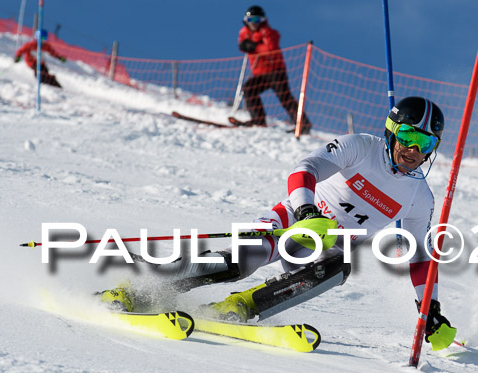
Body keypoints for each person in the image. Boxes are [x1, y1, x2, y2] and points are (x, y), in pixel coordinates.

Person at [98, 96, 455, 349]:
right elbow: (305, 169)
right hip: (292, 221)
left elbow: (421, 257)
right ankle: (135, 289)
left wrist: (430, 308)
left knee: (337, 268)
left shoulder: (418, 197)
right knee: (240, 262)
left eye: (425, 142)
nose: (414, 150)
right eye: (408, 137)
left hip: (325, 248)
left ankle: (239, 307)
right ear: (393, 131)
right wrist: (306, 213)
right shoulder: (361, 147)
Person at [232, 5, 312, 133]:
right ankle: (259, 121)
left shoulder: (269, 32)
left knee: (284, 98)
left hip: (276, 71)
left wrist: (254, 47)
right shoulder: (244, 32)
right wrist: (245, 46)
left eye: (257, 20)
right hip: (260, 73)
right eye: (251, 20)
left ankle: (303, 124)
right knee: (249, 89)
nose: (254, 24)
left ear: (262, 20)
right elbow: (242, 44)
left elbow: (270, 48)